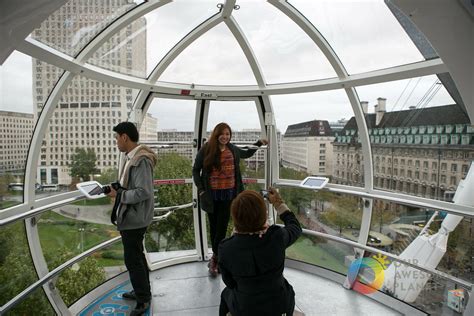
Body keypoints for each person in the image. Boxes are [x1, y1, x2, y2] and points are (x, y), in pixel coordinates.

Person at [192, 122, 268, 277]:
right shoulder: (206, 149)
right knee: (214, 227)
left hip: (229, 195)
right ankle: (216, 257)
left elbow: (247, 153)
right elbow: (195, 169)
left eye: (228, 134)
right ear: (216, 134)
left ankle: (216, 258)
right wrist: (200, 190)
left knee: (221, 227)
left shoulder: (232, 149)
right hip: (211, 196)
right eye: (223, 134)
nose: (225, 137)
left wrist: (259, 143)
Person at [218, 188, 302, 316]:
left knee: (226, 294)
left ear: (235, 217)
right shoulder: (277, 237)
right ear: (264, 214)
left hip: (245, 308)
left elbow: (230, 283)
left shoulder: (226, 248)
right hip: (280, 305)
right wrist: (278, 203)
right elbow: (295, 227)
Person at [106, 122, 157, 316]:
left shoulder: (140, 160)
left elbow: (144, 191)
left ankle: (143, 299)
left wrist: (119, 196)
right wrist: (118, 189)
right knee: (137, 256)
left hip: (135, 218)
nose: (116, 142)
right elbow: (134, 185)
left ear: (125, 137)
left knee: (133, 259)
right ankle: (142, 291)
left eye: (117, 137)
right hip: (135, 216)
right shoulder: (133, 157)